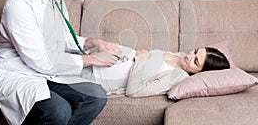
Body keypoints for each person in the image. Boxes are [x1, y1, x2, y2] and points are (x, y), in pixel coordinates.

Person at [83, 45, 230, 97]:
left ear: (199, 73)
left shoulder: (178, 77)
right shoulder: (179, 55)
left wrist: (141, 58)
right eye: (196, 51)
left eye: (195, 61)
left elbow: (134, 91)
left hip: (96, 76)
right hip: (98, 56)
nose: (190, 56)